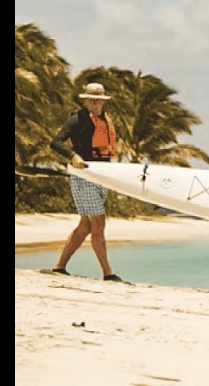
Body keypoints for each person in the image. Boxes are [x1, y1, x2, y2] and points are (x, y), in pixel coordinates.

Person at [49, 82, 125, 282]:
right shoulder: (77, 120)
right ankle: (108, 273)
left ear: (103, 100)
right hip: (84, 177)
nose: (95, 102)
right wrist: (72, 155)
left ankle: (59, 268)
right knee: (98, 223)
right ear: (85, 100)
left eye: (98, 99)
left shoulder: (105, 119)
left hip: (102, 175)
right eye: (91, 99)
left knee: (85, 226)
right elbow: (56, 142)